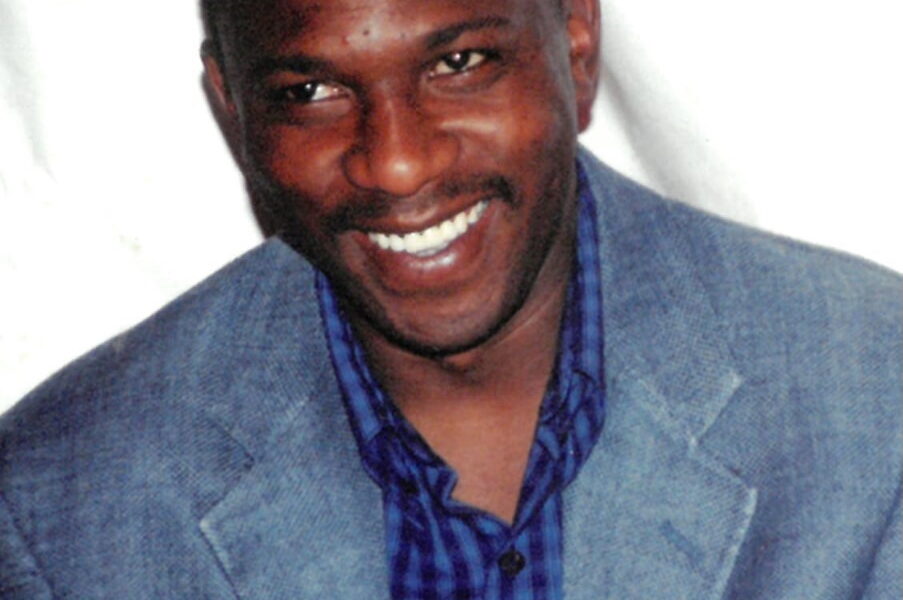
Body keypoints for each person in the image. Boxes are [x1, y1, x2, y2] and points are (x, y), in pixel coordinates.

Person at [0, 0, 899, 598]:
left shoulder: (874, 396)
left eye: (459, 62)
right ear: (233, 107)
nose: (397, 163)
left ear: (575, 40)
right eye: (309, 92)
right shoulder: (59, 503)